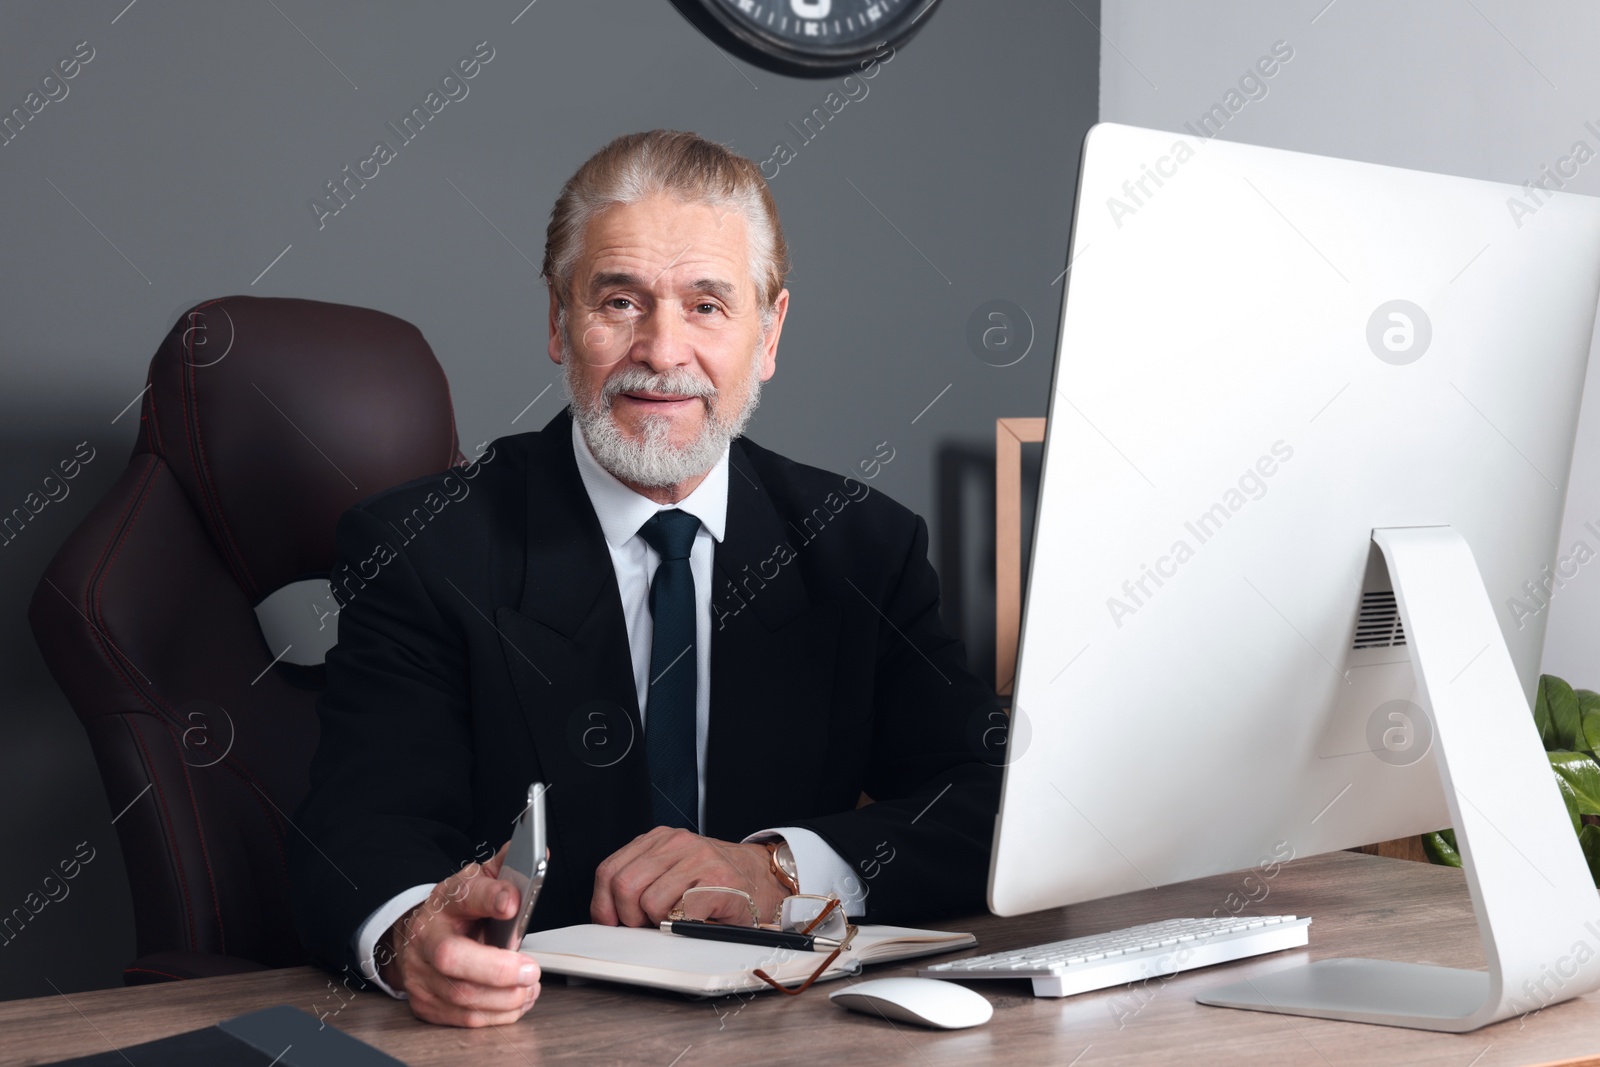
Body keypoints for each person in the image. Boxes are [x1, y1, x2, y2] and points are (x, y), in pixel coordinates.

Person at [289, 129, 1004, 1028]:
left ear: (769, 331)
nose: (663, 351)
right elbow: (360, 825)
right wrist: (408, 936)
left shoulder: (862, 544)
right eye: (621, 300)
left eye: (708, 305)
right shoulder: (426, 549)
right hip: (529, 1034)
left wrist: (776, 869)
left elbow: (989, 797)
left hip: (793, 1034)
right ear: (558, 321)